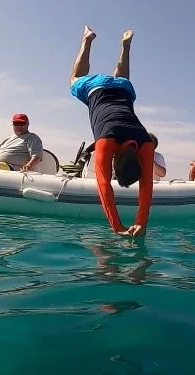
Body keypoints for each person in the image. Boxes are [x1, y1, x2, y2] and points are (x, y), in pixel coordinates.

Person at [69, 26, 155, 238]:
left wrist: (141, 222)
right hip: (96, 89)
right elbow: (104, 185)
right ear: (115, 162)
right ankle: (87, 40)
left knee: (123, 79)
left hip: (124, 89)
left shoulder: (145, 143)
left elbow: (147, 184)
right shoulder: (106, 143)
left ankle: (125, 46)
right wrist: (117, 227)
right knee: (75, 78)